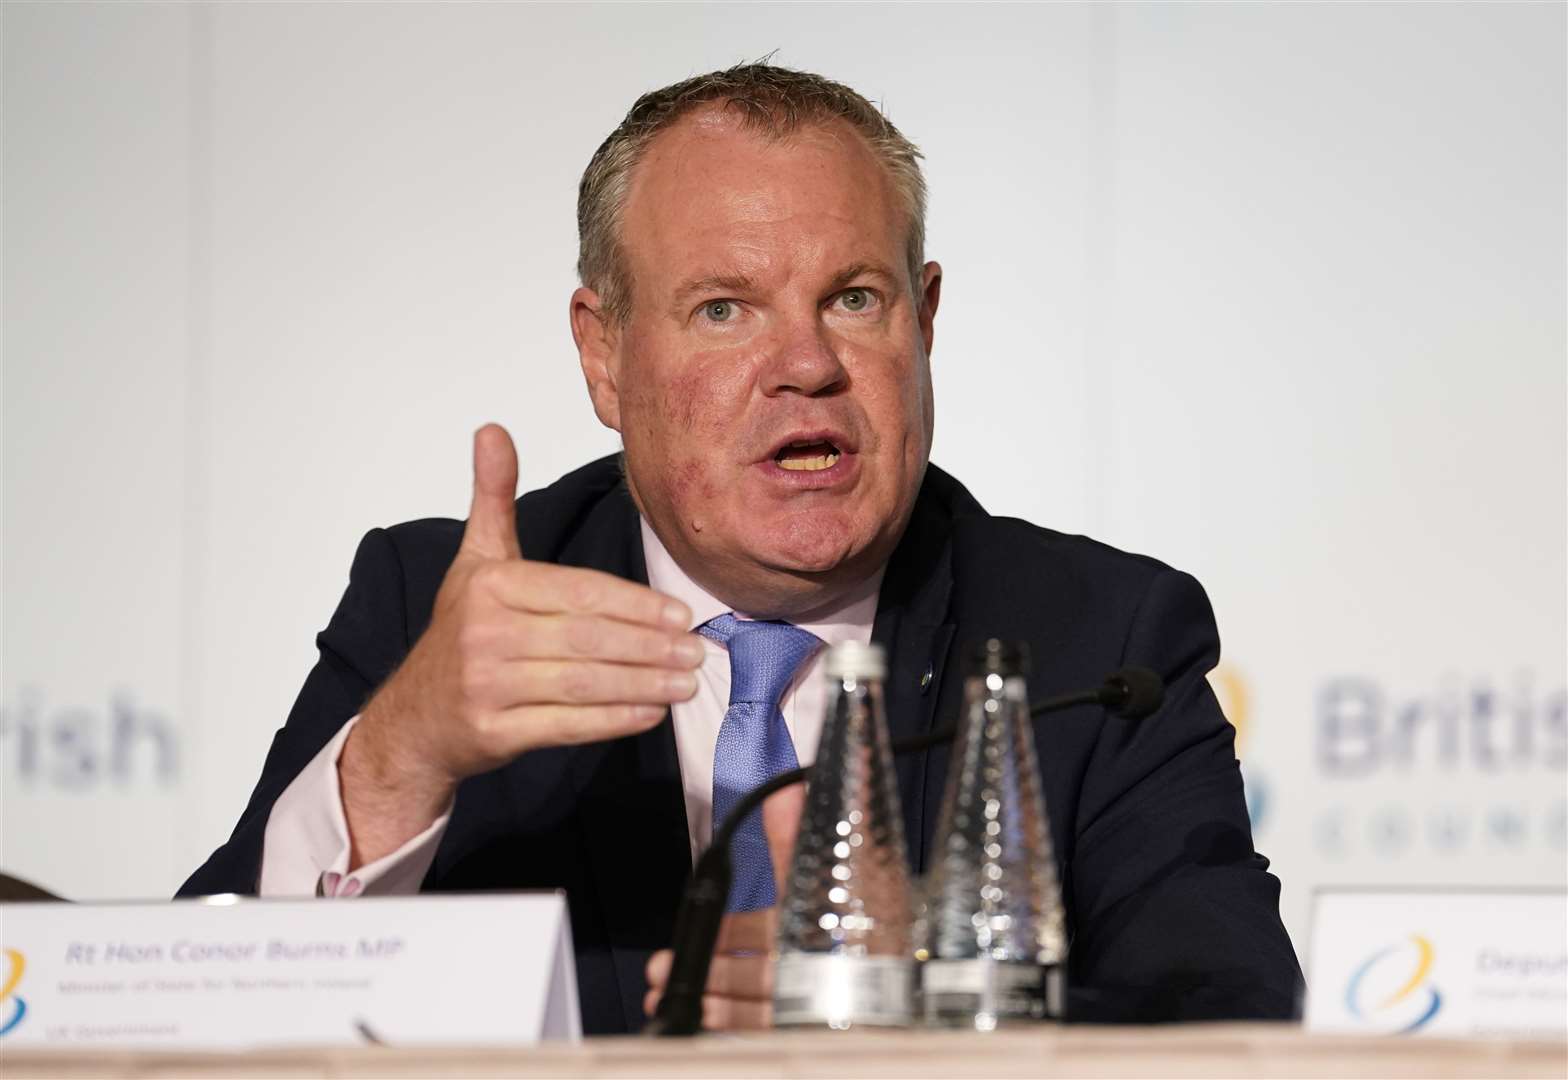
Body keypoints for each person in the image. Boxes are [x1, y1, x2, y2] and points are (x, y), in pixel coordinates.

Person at [181, 62, 1303, 1032]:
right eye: (724, 309)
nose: (805, 363)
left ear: (923, 321)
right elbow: (176, 1024)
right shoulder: (447, 610)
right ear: (604, 354)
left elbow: (1231, 1020)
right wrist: (396, 758)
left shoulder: (1094, 642)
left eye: (854, 299)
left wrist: (943, 1001)